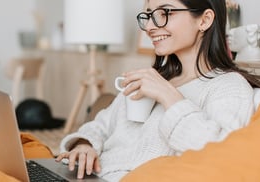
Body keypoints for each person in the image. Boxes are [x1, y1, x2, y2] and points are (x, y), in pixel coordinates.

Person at [55, 0, 260, 181]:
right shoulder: (153, 77)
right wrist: (84, 145)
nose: (150, 27)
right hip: (89, 175)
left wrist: (169, 96)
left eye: (165, 13)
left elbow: (219, 156)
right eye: (149, 15)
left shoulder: (228, 86)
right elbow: (100, 125)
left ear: (204, 20)